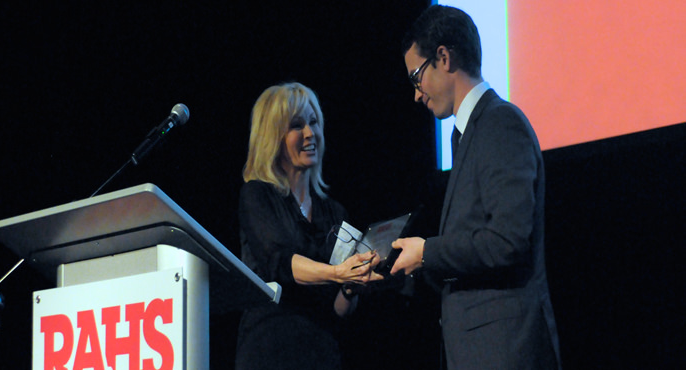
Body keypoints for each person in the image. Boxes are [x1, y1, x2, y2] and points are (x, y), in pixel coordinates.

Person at [390, 5, 562, 369]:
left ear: (444, 58)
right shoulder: (467, 134)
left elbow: (507, 241)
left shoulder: (500, 124)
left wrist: (427, 253)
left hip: (505, 349)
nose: (416, 95)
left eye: (416, 77)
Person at [235, 82, 382, 370]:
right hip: (270, 350)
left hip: (320, 352)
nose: (310, 133)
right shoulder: (257, 195)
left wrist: (352, 283)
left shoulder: (334, 212)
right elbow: (281, 262)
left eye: (313, 122)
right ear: (272, 137)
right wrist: (338, 272)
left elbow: (338, 310)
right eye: (296, 125)